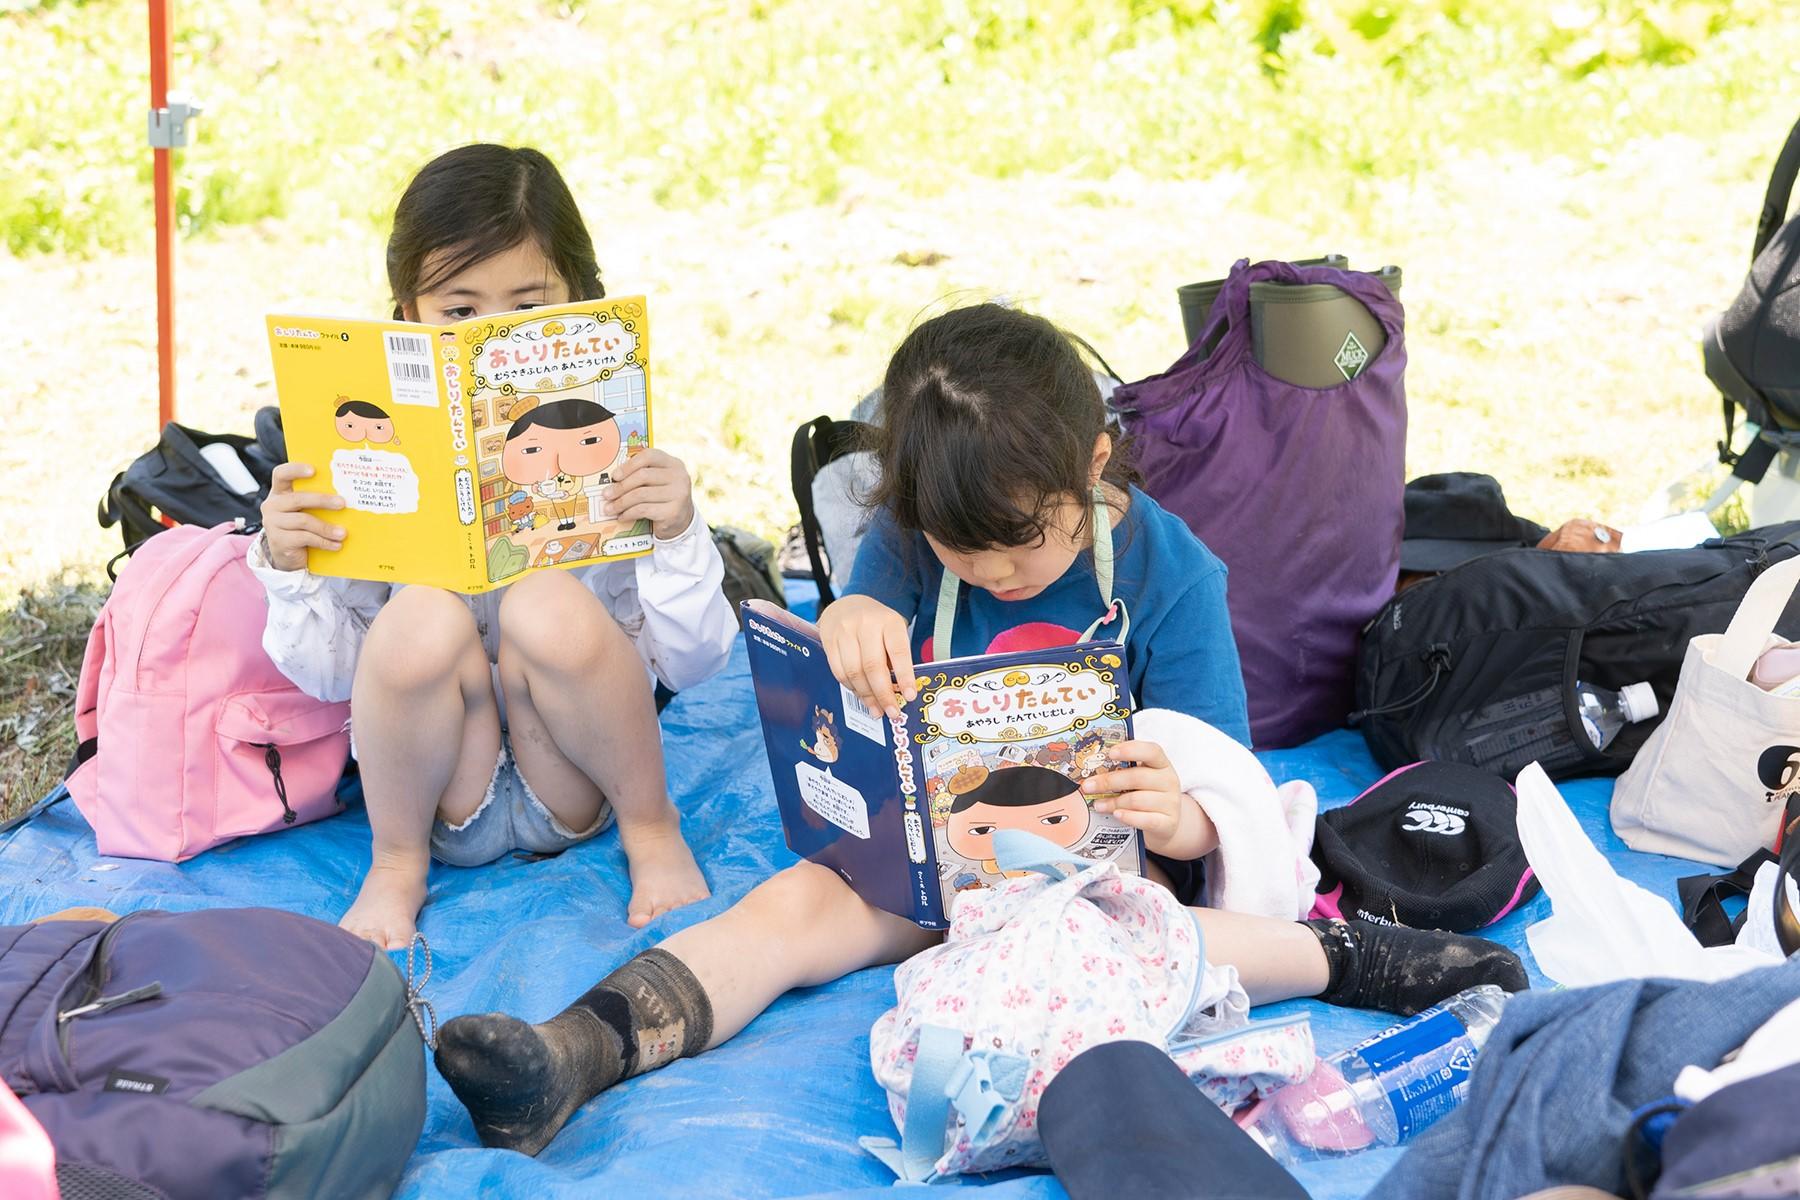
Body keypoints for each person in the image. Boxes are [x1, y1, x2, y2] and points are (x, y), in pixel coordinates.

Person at [433, 304, 1528, 1155]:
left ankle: (1360, 958)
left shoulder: (1168, 566)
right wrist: (848, 624)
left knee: (1168, 944)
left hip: (1101, 869)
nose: (999, 572)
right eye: (969, 555)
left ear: (1094, 464)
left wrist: (1186, 819)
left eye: (1028, 543)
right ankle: (577, 1049)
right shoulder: (909, 544)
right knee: (786, 912)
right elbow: (852, 693)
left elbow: (1218, 763)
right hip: (933, 861)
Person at [250, 144, 732, 948]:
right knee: (422, 619)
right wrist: (290, 569)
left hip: (577, 781)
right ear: (408, 316)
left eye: (525, 305)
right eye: (459, 311)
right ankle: (394, 864)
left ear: (579, 301)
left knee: (546, 602)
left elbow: (694, 663)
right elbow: (333, 678)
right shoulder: (363, 459)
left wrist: (677, 533)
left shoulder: (608, 446)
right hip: (442, 795)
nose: (490, 334)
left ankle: (654, 831)